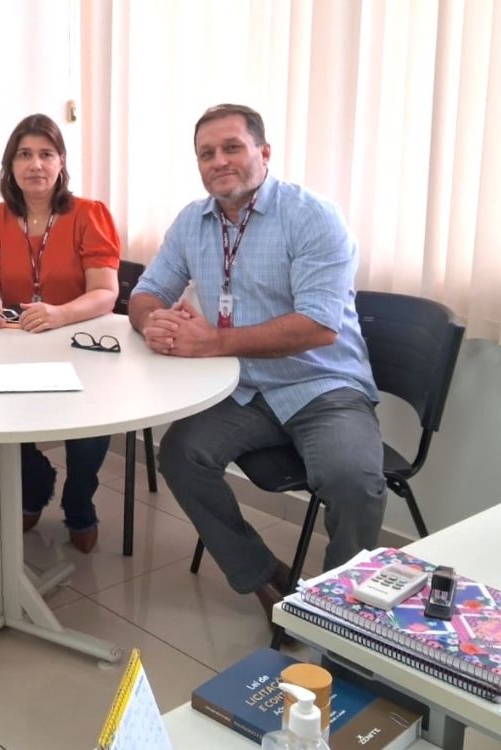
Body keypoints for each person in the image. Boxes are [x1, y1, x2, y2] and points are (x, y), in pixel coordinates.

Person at [128, 103, 386, 624]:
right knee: (181, 456)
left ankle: (341, 615)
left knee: (353, 481)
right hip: (242, 389)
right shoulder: (192, 221)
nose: (218, 161)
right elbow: (146, 292)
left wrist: (210, 343)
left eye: (232, 148)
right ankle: (266, 576)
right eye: (206, 153)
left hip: (323, 385)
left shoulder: (312, 216)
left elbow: (318, 326)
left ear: (264, 154)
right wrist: (152, 320)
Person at [0, 114, 120, 553]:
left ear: (61, 162)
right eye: (25, 155)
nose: (36, 164)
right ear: (10, 165)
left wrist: (59, 314)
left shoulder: (90, 214)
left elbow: (106, 293)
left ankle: (79, 500)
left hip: (79, 343)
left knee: (90, 425)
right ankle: (35, 484)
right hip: (17, 346)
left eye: (46, 154)